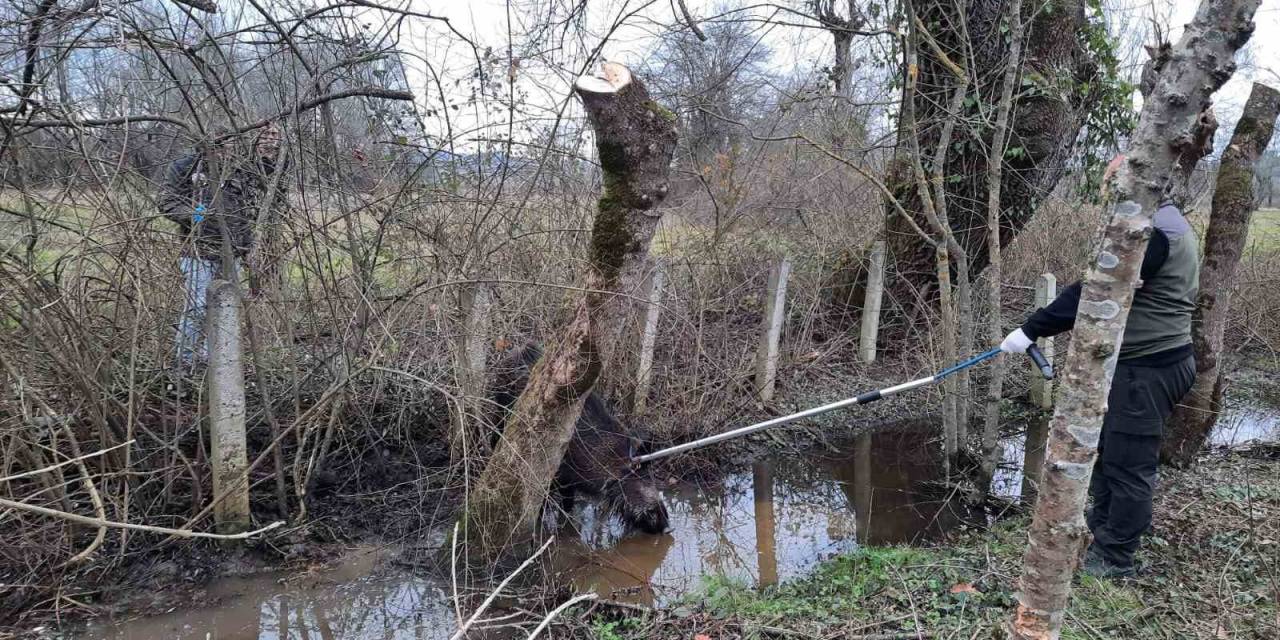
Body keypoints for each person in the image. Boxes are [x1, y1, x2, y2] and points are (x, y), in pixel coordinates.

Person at [1001, 156, 1198, 578]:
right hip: (1146, 364)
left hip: (1148, 369)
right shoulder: (1164, 222)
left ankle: (1114, 559)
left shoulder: (1155, 234)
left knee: (1128, 468)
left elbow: (1095, 291)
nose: (1108, 193)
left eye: (1113, 184)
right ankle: (1099, 534)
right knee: (1109, 457)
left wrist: (1030, 330)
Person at [160, 124, 283, 367]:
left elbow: (252, 201)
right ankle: (183, 362)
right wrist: (195, 216)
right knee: (197, 307)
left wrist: (248, 248)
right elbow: (167, 203)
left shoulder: (238, 169)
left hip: (232, 253)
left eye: (226, 144)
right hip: (198, 251)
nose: (222, 150)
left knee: (226, 307)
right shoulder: (185, 168)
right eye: (216, 144)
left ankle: (211, 359)